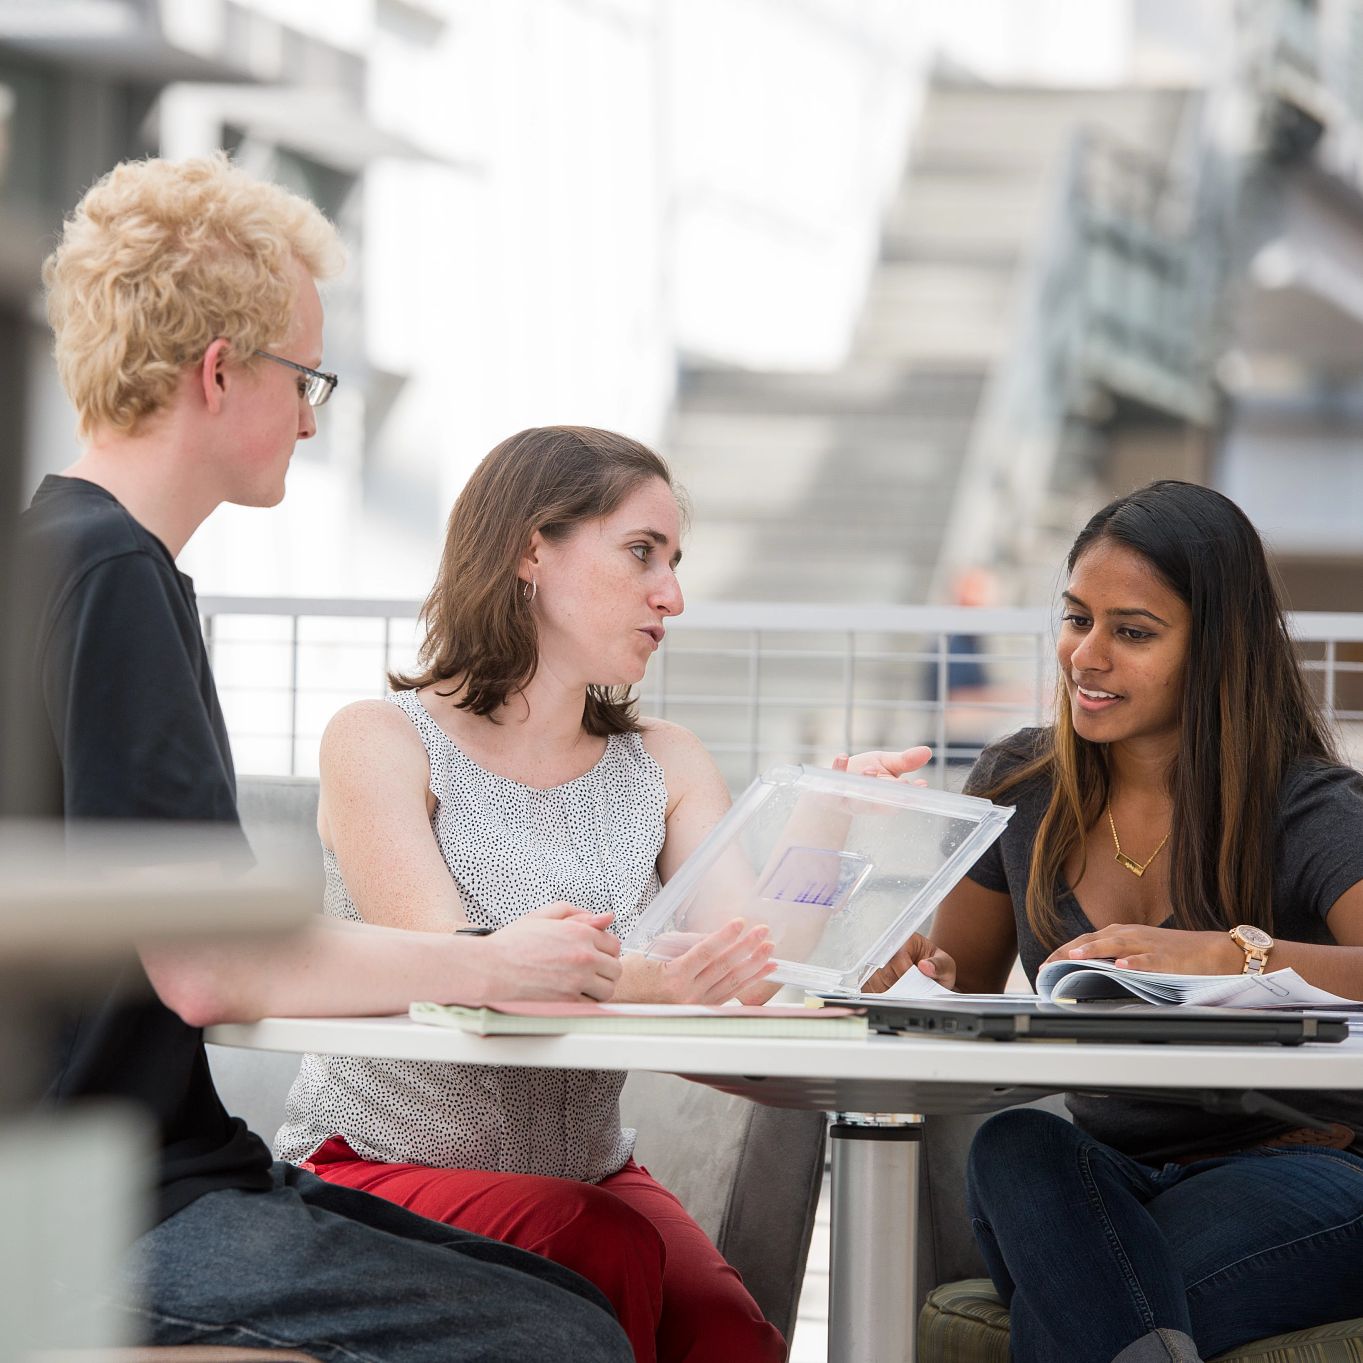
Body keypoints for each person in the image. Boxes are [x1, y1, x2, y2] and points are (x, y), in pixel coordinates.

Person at [16, 154, 633, 1361]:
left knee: (578, 1307)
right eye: (304, 377)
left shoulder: (55, 552)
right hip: (102, 1213)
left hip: (125, 1183)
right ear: (217, 371)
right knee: (563, 1339)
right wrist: (493, 965)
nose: (309, 415)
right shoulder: (113, 578)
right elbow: (206, 963)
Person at [273, 425, 929, 1363]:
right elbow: (460, 968)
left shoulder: (662, 761)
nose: (673, 594)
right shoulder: (380, 739)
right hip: (376, 1164)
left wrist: (829, 815)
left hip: (589, 1175)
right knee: (601, 1247)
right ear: (528, 549)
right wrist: (654, 983)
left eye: (673, 560)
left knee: (732, 1338)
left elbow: (754, 966)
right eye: (640, 553)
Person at [869, 481, 1363, 1363]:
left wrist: (1231, 953)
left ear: (1215, 648)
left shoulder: (1303, 803)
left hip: (1305, 1166)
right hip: (1108, 1173)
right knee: (1016, 1142)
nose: (1084, 655)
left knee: (1089, 1301)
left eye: (1131, 632)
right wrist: (912, 972)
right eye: (1074, 618)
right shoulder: (1020, 784)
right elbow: (962, 985)